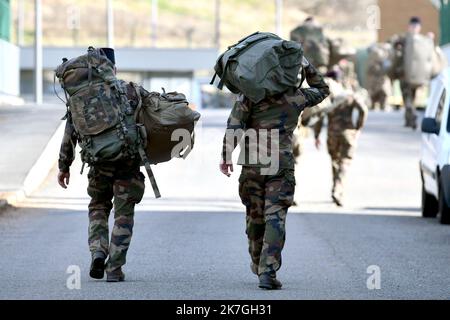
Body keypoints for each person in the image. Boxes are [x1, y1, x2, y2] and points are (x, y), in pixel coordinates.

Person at [220, 58, 329, 290]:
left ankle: (257, 260)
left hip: (253, 163)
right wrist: (307, 65)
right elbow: (322, 89)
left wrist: (226, 155)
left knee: (254, 216)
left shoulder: (250, 94)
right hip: (281, 164)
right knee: (275, 217)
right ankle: (267, 271)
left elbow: (234, 125)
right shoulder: (296, 96)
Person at [57, 48, 150, 282]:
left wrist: (64, 166)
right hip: (128, 164)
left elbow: (70, 135)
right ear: (113, 68)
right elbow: (151, 121)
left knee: (98, 207)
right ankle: (114, 269)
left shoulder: (80, 99)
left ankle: (98, 251)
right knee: (123, 214)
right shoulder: (129, 91)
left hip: (98, 166)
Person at [313, 70, 368, 207]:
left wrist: (317, 135)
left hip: (332, 134)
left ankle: (335, 188)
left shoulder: (329, 97)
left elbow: (320, 115)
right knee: (345, 162)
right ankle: (338, 189)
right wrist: (358, 127)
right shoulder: (350, 95)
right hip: (348, 134)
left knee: (335, 161)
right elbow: (363, 110)